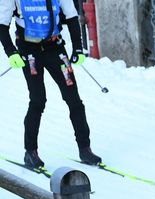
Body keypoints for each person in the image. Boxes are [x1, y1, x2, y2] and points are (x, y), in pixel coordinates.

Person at [0, 0, 102, 170]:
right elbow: (2, 24)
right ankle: (30, 152)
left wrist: (77, 47)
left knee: (74, 99)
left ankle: (85, 149)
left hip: (54, 47)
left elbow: (71, 15)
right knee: (38, 99)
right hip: (28, 50)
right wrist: (11, 52)